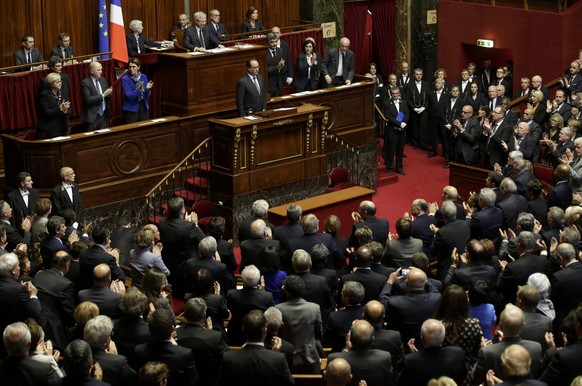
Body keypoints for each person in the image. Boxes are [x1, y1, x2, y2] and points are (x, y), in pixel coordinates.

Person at [218, 310, 294, 386]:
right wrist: (274, 355)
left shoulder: (228, 358)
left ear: (243, 329)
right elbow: (290, 383)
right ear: (265, 331)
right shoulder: (278, 359)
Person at [433, 284, 483, 386]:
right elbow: (476, 351)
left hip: (441, 373)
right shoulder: (473, 324)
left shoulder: (436, 325)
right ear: (465, 303)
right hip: (465, 373)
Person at [134, 309, 198, 386]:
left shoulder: (139, 351)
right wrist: (176, 347)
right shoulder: (184, 353)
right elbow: (193, 380)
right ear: (173, 329)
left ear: (150, 330)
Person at [158, 197, 204, 298]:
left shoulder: (162, 222)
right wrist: (195, 224)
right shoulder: (189, 226)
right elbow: (203, 239)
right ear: (183, 210)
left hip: (168, 263)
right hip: (184, 267)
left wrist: (185, 223)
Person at [276, 275, 322, 374]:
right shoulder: (314, 308)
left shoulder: (278, 309)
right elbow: (319, 334)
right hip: (310, 357)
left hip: (286, 357)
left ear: (286, 291)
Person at [397, 319, 466, 386]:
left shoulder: (409, 361)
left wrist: (415, 356)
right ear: (444, 336)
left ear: (422, 338)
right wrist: (416, 356)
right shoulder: (458, 354)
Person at [176, 298, 227, 386]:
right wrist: (209, 332)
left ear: (185, 315)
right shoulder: (215, 336)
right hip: (209, 380)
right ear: (204, 316)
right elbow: (225, 358)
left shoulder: (174, 335)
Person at [328, 320, 394, 386]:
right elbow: (389, 381)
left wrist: (346, 349)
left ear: (350, 339)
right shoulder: (384, 358)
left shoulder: (334, 359)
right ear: (372, 340)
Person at [83, 315, 137, 385]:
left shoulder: (78, 358)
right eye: (110, 334)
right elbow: (134, 379)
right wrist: (114, 357)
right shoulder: (119, 362)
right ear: (105, 342)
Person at [383, 86, 409, 174]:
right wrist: (399, 124)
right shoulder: (387, 103)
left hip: (402, 130)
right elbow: (388, 116)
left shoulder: (404, 102)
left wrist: (404, 123)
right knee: (391, 149)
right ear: (391, 94)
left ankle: (399, 168)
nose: (395, 95)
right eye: (393, 93)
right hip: (392, 130)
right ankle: (390, 168)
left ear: (399, 93)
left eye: (396, 93)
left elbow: (406, 114)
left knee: (400, 149)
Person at [36, 73, 70, 139]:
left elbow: (69, 109)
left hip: (61, 128)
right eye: (57, 82)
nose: (60, 83)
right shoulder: (44, 95)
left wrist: (65, 111)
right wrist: (60, 108)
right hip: (48, 129)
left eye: (60, 81)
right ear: (51, 84)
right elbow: (46, 113)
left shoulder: (63, 93)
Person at [80, 61, 112, 130]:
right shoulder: (85, 83)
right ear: (92, 71)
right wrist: (103, 95)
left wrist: (109, 94)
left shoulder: (103, 80)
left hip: (103, 115)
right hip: (91, 117)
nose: (101, 72)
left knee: (104, 137)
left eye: (101, 69)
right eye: (98, 70)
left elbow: (107, 97)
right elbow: (88, 99)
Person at [122, 57, 153, 123]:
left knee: (145, 128)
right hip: (131, 108)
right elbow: (129, 95)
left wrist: (147, 89)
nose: (131, 69)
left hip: (143, 106)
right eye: (130, 67)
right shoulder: (125, 79)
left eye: (133, 67)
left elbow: (147, 95)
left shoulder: (143, 76)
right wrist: (139, 90)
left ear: (138, 67)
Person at [265, 32, 288, 97]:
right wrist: (277, 67)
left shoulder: (280, 51)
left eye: (276, 41)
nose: (274, 44)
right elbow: (265, 70)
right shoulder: (264, 53)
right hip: (269, 84)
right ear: (267, 42)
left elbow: (285, 67)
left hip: (279, 84)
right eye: (272, 42)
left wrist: (282, 67)